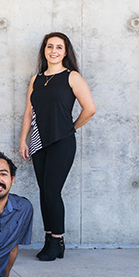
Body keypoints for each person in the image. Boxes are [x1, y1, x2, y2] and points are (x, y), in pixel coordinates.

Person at [18, 32, 95, 261]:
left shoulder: (72, 77)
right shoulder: (36, 79)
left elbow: (89, 109)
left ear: (65, 51)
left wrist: (71, 127)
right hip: (39, 142)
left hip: (62, 142)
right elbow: (28, 112)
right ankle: (50, 238)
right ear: (44, 50)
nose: (53, 51)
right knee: (44, 193)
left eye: (59, 47)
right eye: (49, 46)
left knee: (52, 191)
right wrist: (23, 139)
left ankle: (57, 240)